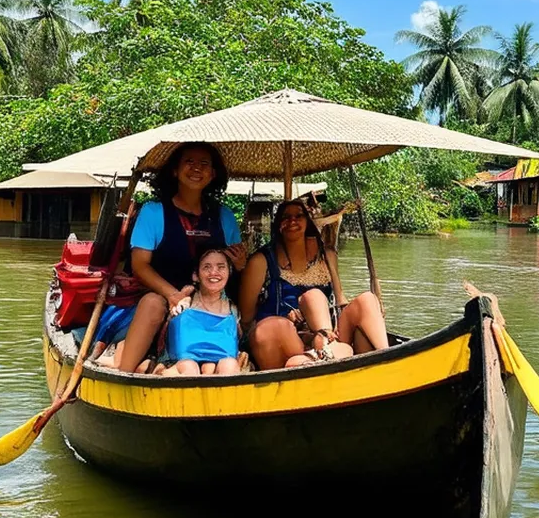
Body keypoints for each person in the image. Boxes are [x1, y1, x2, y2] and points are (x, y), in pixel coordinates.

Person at [92, 143, 247, 372]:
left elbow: (233, 265)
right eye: (189, 162)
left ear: (213, 174)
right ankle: (125, 371)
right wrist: (173, 296)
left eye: (204, 164)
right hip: (160, 293)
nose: (197, 168)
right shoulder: (154, 212)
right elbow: (139, 265)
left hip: (212, 298)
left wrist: (240, 265)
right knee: (153, 304)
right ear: (175, 170)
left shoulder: (224, 216)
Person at [239, 199, 389, 370]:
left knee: (366, 300)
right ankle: (316, 358)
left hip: (329, 335)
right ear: (278, 224)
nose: (292, 221)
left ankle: (388, 357)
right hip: (286, 339)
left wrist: (371, 315)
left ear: (308, 221)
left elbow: (341, 300)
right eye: (286, 217)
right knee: (274, 326)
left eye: (298, 216)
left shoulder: (327, 254)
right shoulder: (261, 261)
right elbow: (247, 319)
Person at [163, 248, 241, 376]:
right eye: (206, 267)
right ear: (196, 275)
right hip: (180, 368)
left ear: (229, 272)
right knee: (189, 368)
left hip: (223, 371)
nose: (214, 272)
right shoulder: (182, 304)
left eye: (221, 267)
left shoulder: (233, 311)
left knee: (229, 366)